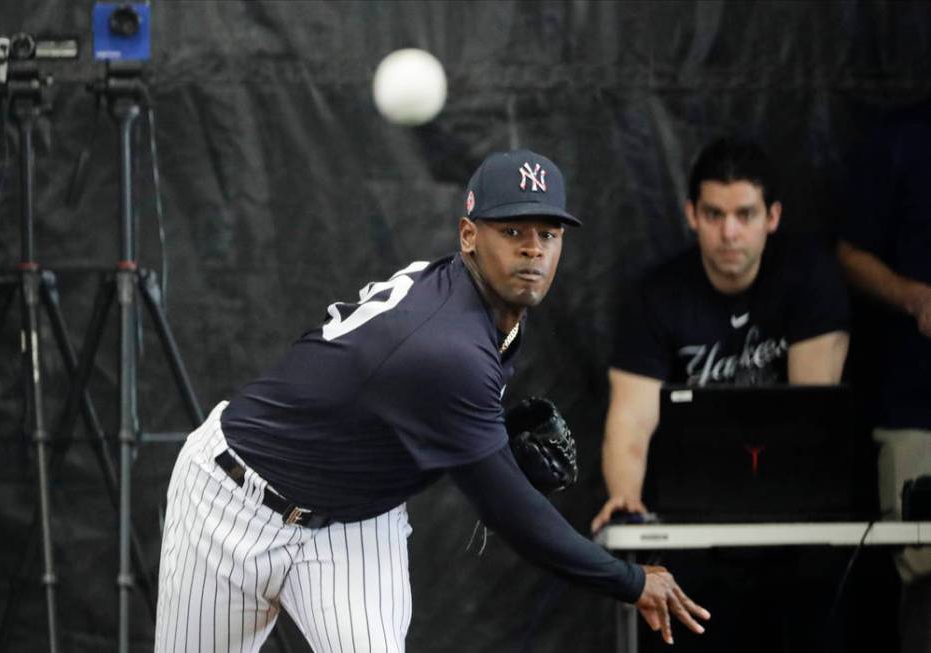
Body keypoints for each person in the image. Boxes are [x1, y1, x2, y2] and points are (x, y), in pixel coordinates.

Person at [153, 149, 709, 652]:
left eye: (549, 233)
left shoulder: (481, 304)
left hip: (354, 523)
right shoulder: (448, 349)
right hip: (232, 500)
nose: (533, 249)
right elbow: (515, 516)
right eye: (512, 229)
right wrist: (631, 581)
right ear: (469, 235)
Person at [591, 138, 850, 532]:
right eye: (714, 214)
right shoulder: (656, 296)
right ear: (692, 215)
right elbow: (630, 421)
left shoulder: (811, 280)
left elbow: (809, 419)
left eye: (745, 215)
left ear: (773, 217)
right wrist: (626, 499)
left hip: (789, 500)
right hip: (686, 501)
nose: (729, 232)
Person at [836, 110, 931, 653]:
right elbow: (851, 254)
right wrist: (916, 299)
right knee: (923, 570)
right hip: (915, 407)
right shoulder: (900, 142)